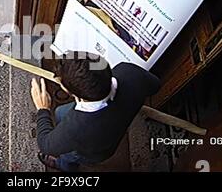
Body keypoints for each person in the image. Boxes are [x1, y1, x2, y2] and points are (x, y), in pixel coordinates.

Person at [30, 51, 160, 172]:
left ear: (70, 93)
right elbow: (155, 85)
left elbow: (45, 144)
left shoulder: (75, 129)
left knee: (70, 155)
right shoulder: (128, 71)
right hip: (113, 130)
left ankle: (65, 166)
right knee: (60, 112)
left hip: (93, 151)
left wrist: (43, 109)